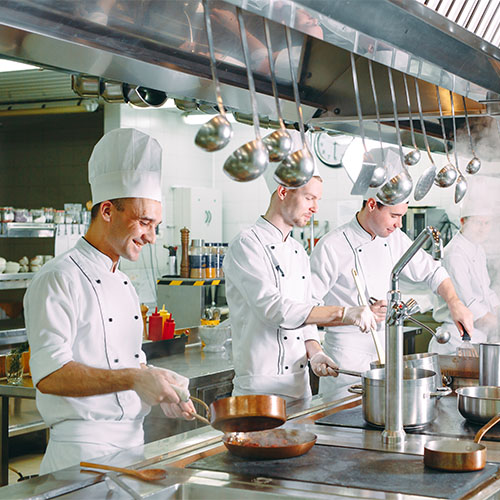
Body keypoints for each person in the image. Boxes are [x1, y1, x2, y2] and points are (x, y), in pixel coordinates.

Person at [24, 128, 195, 474]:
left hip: (132, 447)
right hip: (81, 455)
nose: (151, 236)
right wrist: (134, 379)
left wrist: (156, 383)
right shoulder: (58, 278)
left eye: (156, 225)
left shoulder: (124, 282)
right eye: (144, 222)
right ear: (107, 211)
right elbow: (50, 374)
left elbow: (118, 361)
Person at [310, 146, 474, 399]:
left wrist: (455, 303)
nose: (399, 224)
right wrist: (352, 315)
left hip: (385, 354)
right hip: (346, 361)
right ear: (373, 204)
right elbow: (305, 312)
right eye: (395, 216)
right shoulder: (332, 246)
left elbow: (433, 272)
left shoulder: (394, 238)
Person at [223, 146, 377, 403]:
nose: (315, 208)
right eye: (310, 198)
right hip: (259, 392)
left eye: (318, 200)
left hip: (299, 388)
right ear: (283, 192)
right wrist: (343, 312)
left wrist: (315, 351)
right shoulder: (246, 244)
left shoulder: (297, 250)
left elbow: (304, 313)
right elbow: (275, 309)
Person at [431, 176, 499, 354]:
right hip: (456, 339)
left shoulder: (477, 249)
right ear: (463, 222)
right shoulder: (455, 254)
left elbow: (487, 293)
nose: (483, 228)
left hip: (478, 337)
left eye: (487, 223)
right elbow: (469, 306)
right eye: (478, 222)